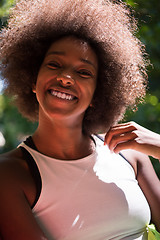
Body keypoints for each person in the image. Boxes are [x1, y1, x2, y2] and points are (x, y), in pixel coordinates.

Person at [0, 0, 159, 239]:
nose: (65, 77)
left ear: (98, 93)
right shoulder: (9, 174)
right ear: (33, 80)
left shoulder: (130, 155)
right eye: (54, 64)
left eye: (83, 72)